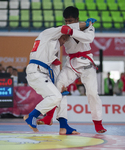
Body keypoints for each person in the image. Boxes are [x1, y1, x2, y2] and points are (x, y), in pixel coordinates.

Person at [37, 6, 107, 134]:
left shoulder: (88, 27)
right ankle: (49, 116)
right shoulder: (64, 30)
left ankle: (98, 123)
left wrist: (73, 29)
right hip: (71, 63)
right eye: (66, 21)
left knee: (92, 93)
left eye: (70, 21)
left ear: (77, 19)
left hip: (87, 64)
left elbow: (89, 39)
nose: (68, 23)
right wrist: (70, 29)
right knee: (58, 85)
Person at [23, 24, 76, 133]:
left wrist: (60, 85)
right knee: (55, 96)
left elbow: (55, 71)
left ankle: (62, 125)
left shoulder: (52, 48)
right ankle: (32, 116)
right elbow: (64, 29)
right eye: (64, 39)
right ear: (59, 34)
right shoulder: (47, 34)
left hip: (42, 73)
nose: (63, 43)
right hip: (36, 71)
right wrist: (84, 26)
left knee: (59, 95)